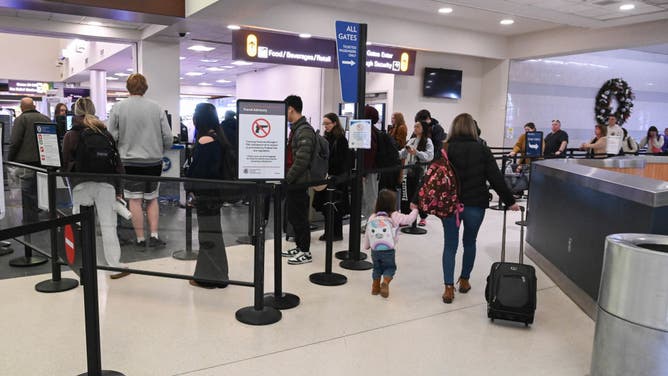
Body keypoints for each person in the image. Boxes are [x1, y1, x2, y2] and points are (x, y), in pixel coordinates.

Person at [440, 113, 519, 304]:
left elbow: (432, 176)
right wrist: (510, 201)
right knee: (470, 242)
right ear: (473, 128)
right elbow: (495, 178)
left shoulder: (446, 148)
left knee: (450, 245)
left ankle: (448, 288)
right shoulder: (482, 149)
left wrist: (417, 200)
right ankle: (464, 281)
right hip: (475, 204)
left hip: (451, 205)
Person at [62, 98, 129, 279]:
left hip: (80, 185)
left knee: (81, 226)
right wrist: (119, 189)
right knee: (108, 226)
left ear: (75, 113)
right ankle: (114, 267)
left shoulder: (71, 135)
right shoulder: (105, 133)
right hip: (106, 184)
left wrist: (70, 179)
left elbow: (65, 162)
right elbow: (117, 164)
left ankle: (83, 266)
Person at [107, 73, 173, 248]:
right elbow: (168, 136)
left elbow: (110, 136)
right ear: (145, 87)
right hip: (153, 162)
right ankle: (154, 235)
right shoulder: (156, 107)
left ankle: (140, 239)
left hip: (129, 162)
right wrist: (160, 149)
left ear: (128, 87)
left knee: (134, 200)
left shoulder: (118, 107)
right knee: (152, 198)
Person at [186, 103, 230, 289]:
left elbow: (199, 172)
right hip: (216, 195)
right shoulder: (218, 137)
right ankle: (220, 275)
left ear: (199, 120)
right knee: (214, 234)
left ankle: (208, 278)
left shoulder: (205, 141)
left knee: (207, 236)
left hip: (205, 196)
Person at [364, 189, 418, 298]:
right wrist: (415, 210)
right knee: (390, 267)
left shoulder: (372, 217)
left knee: (376, 268)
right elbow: (409, 219)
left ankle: (375, 287)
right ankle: (386, 282)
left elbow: (368, 233)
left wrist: (367, 246)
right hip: (388, 249)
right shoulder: (394, 215)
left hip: (375, 250)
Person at [282, 95, 316, 265]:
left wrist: (287, 179)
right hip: (294, 181)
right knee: (294, 216)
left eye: (285, 109)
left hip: (299, 182)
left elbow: (301, 161)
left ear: (291, 109)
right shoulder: (296, 129)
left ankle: (305, 251)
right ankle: (299, 246)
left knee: (300, 217)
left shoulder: (304, 131)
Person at [7, 97, 51, 226]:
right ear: (34, 106)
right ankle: (45, 218)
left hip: (27, 163)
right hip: (44, 162)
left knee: (28, 193)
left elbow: (15, 142)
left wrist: (10, 159)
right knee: (42, 191)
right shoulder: (46, 119)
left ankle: (30, 222)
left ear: (22, 107)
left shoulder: (21, 119)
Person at [313, 113, 351, 242]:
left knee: (335, 207)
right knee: (327, 206)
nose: (326, 126)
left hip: (336, 179)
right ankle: (329, 231)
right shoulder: (326, 138)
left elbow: (341, 161)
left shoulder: (341, 140)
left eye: (328, 123)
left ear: (335, 123)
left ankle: (336, 233)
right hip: (327, 177)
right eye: (324, 124)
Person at [399, 121, 433, 227]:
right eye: (414, 126)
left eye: (417, 126)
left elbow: (429, 156)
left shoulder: (428, 141)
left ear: (424, 128)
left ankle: (423, 217)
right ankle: (406, 217)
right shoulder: (412, 140)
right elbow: (402, 153)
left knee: (420, 196)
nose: (415, 128)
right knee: (406, 195)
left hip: (421, 173)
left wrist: (416, 152)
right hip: (408, 172)